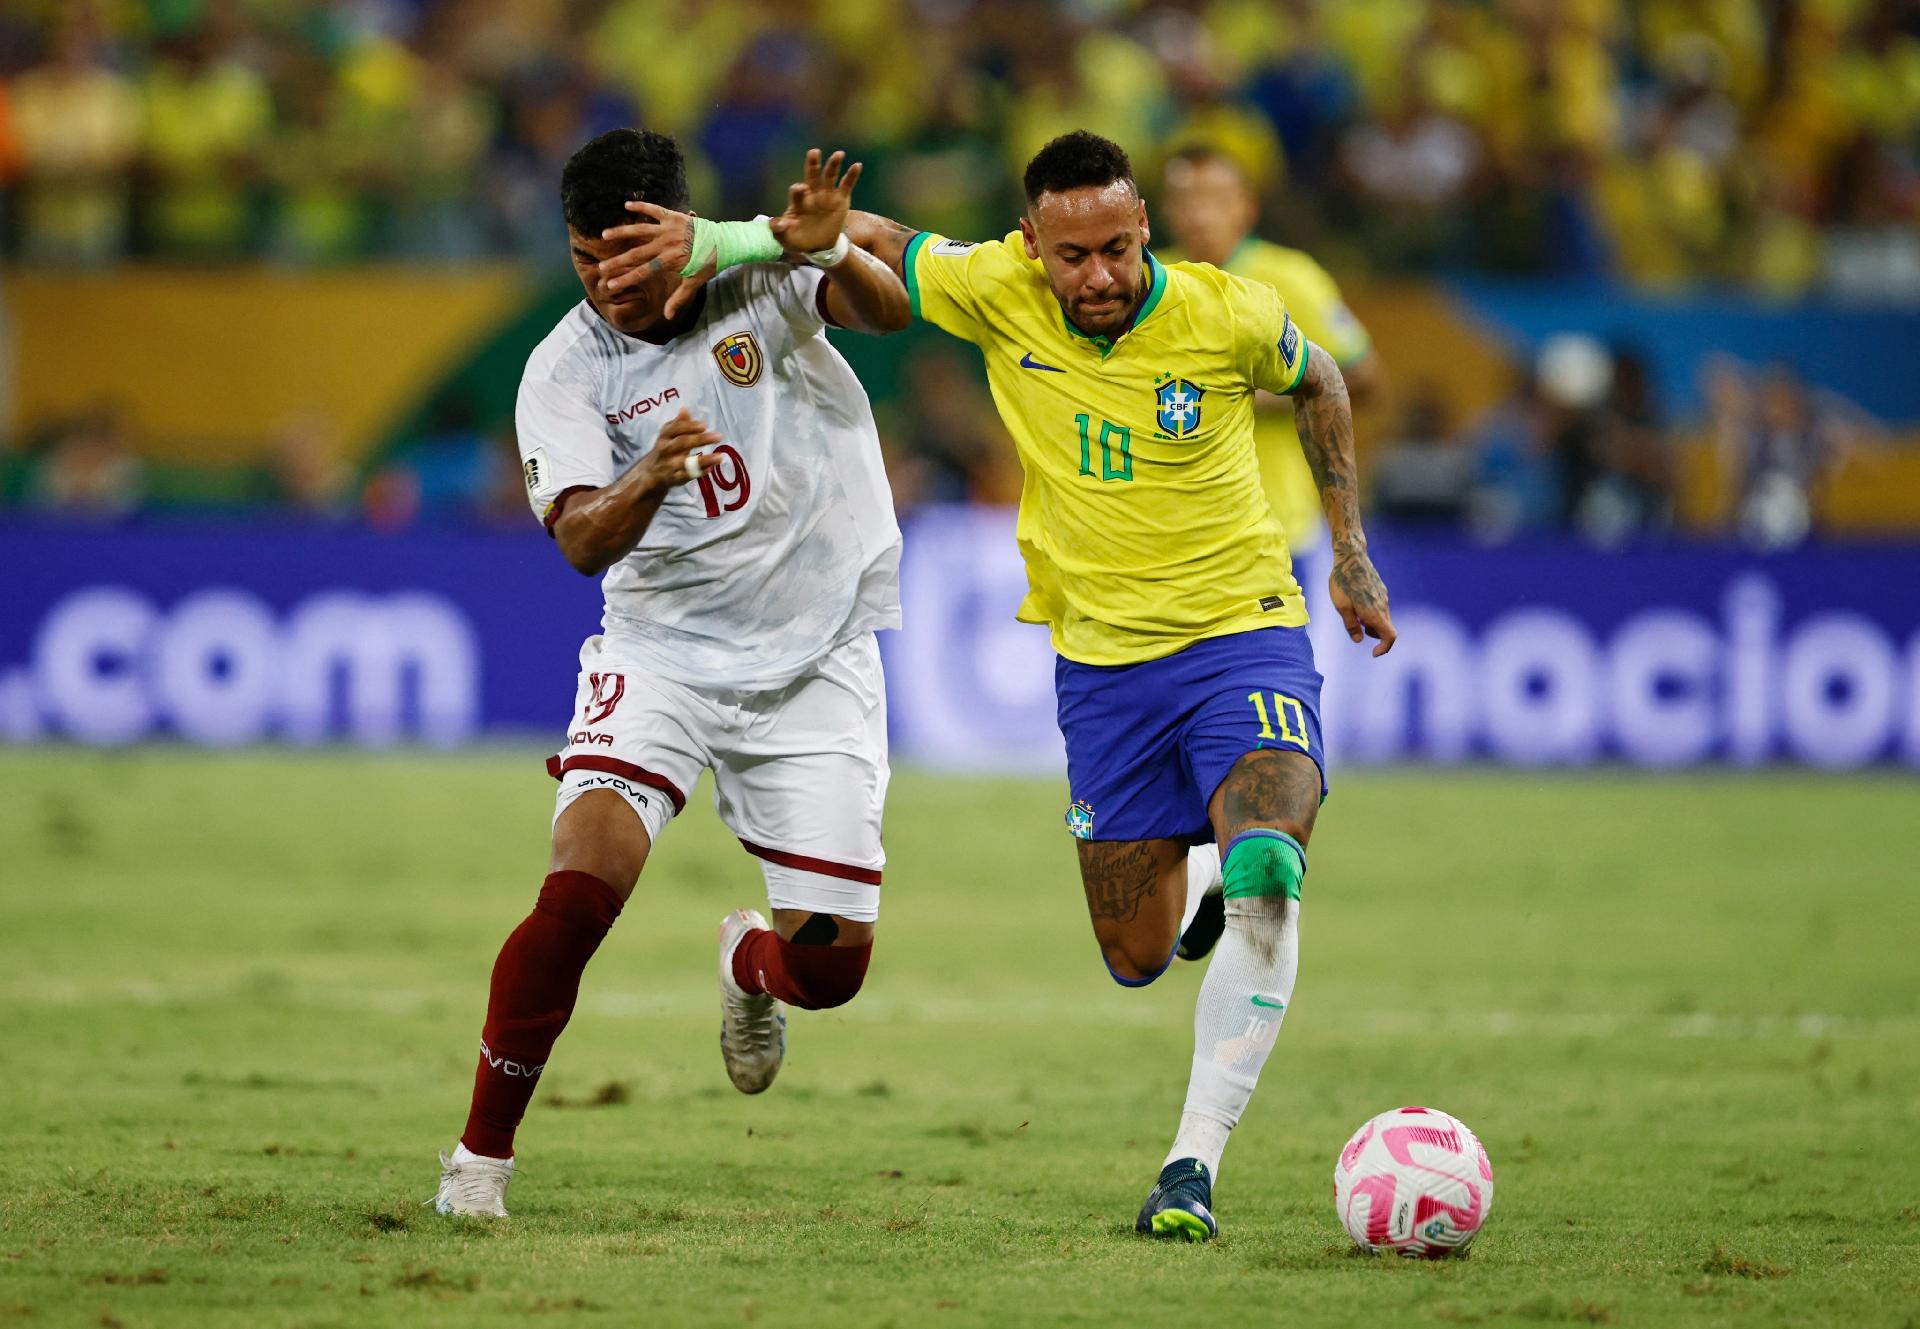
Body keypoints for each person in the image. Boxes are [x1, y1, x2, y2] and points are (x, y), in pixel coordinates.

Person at [606, 129, 1398, 1241]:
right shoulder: (997, 289)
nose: (1101, 277)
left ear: (1143, 232)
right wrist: (730, 237)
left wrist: (1352, 553)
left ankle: (1191, 1169)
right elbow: (874, 236)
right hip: (1105, 673)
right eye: (1073, 257)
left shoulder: (1227, 309)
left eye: (1119, 249)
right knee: (1133, 956)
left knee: (1272, 860)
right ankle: (1205, 881)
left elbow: (1321, 378)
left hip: (1243, 633)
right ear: (1033, 245)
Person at [433, 131, 910, 1218]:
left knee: (829, 975)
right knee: (577, 891)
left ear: (677, 233)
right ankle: (478, 1166)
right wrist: (647, 473)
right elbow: (584, 542)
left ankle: (750, 964)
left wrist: (832, 254)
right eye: (583, 256)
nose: (605, 280)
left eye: (627, 255)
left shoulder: (761, 272)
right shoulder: (563, 368)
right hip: (661, 658)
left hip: (815, 655)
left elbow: (888, 313)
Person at [1158, 144, 1383, 556]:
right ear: (1162, 211)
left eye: (1215, 199)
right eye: (1184, 200)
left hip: (1272, 527)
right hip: (1172, 532)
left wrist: (1255, 395)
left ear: (1246, 206)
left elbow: (1364, 375)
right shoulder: (1147, 283)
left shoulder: (1289, 278)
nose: (1199, 214)